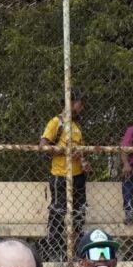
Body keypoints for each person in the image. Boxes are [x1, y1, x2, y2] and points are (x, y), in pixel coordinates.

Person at [41, 97, 90, 258]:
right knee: (59, 209)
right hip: (61, 174)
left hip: (78, 175)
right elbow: (43, 145)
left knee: (79, 210)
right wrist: (64, 150)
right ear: (70, 103)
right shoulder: (56, 122)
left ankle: (78, 247)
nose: (81, 108)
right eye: (79, 104)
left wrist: (83, 160)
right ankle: (54, 247)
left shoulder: (76, 126)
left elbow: (79, 149)